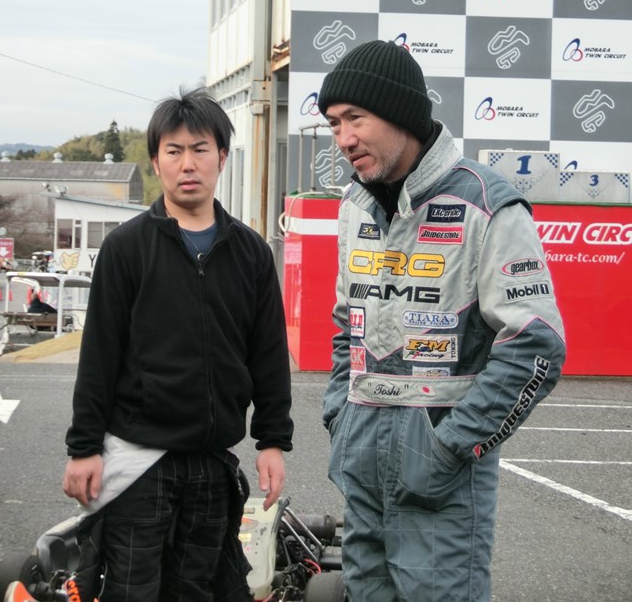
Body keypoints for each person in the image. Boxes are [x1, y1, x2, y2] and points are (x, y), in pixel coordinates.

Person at [318, 40, 566, 602]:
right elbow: (346, 324)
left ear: (401, 114)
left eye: (355, 118)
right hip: (361, 470)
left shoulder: (488, 204)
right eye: (334, 123)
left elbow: (537, 344)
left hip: (441, 482)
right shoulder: (353, 205)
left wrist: (451, 446)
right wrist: (340, 416)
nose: (344, 138)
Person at [62, 87, 294, 602]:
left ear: (222, 157)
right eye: (174, 151)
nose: (188, 164)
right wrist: (83, 449)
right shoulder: (126, 248)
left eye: (200, 149)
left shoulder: (251, 253)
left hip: (212, 461)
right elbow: (99, 355)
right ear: (156, 161)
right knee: (132, 590)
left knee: (198, 591)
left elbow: (268, 356)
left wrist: (272, 441)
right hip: (139, 463)